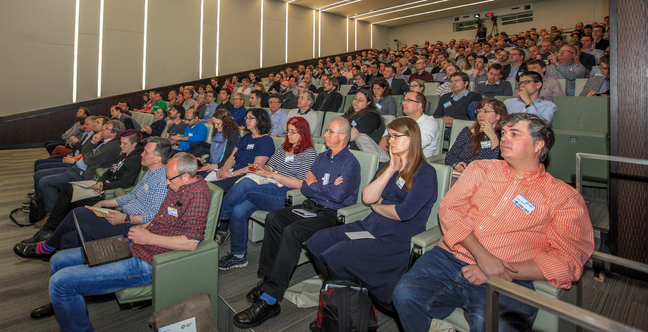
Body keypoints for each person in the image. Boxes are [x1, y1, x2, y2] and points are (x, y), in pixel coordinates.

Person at [393, 113, 594, 332]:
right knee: (404, 295)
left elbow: (568, 259)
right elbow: (450, 210)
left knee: (489, 324)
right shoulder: (481, 169)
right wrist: (483, 257)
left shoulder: (563, 196)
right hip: (449, 258)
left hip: (511, 277)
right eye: (504, 133)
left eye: (514, 134)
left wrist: (498, 269)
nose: (504, 138)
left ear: (538, 145)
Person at [26, 153, 210, 331]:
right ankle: (64, 307)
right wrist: (144, 228)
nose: (167, 183)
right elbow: (160, 218)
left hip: (148, 262)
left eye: (170, 178)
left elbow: (191, 242)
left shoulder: (197, 195)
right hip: (135, 245)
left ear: (186, 177)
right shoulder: (177, 188)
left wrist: (149, 238)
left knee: (60, 283)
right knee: (58, 260)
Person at [232, 118, 361, 329]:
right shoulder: (321, 157)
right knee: (274, 218)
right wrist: (317, 186)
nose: (325, 135)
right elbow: (305, 188)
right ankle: (268, 278)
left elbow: (337, 196)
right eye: (326, 130)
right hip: (312, 205)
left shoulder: (350, 164)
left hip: (331, 215)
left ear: (343, 137)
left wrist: (315, 185)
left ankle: (270, 300)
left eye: (330, 131)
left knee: (292, 231)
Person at [307, 117, 438, 310]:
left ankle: (347, 307)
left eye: (395, 136)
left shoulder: (425, 172)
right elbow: (368, 197)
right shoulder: (389, 166)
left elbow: (404, 213)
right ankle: (345, 300)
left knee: (340, 252)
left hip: (396, 236)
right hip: (371, 226)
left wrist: (378, 206)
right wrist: (391, 168)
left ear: (411, 139)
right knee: (317, 241)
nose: (389, 140)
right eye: (389, 136)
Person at [15, 137, 171, 260]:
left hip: (129, 226)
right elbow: (130, 196)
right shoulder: (150, 173)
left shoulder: (162, 181)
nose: (141, 154)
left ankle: (45, 247)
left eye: (146, 152)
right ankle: (51, 252)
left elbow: (154, 215)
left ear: (157, 159)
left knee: (79, 213)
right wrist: (103, 202)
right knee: (68, 239)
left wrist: (125, 217)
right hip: (122, 216)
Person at [218, 117, 318, 270]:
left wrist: (274, 175)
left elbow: (301, 184)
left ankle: (220, 218)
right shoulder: (284, 147)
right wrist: (261, 168)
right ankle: (238, 256)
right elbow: (270, 167)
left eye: (293, 132)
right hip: (269, 186)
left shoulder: (309, 154)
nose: (289, 135)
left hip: (287, 194)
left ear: (303, 133)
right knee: (238, 211)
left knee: (246, 184)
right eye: (288, 131)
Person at [19, 130, 145, 244]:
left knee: (71, 197)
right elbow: (109, 171)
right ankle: (50, 229)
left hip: (107, 190)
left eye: (124, 143)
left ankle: (50, 230)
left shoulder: (134, 158)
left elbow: (126, 183)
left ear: (134, 144)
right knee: (68, 190)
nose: (121, 145)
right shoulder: (124, 154)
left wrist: (103, 186)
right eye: (121, 142)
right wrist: (101, 180)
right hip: (101, 185)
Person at [445, 98, 507, 173]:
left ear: (498, 116)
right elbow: (450, 156)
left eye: (486, 111)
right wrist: (456, 165)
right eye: (479, 111)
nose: (480, 115)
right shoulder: (468, 131)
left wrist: (493, 137)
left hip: (486, 178)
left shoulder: (504, 135)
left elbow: (498, 165)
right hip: (463, 174)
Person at [434, 72, 483, 140]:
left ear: (466, 83)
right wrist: (443, 120)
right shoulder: (445, 97)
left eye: (457, 81)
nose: (453, 83)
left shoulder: (474, 97)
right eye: (452, 81)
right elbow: (436, 115)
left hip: (463, 129)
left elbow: (476, 118)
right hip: (444, 127)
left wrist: (456, 122)